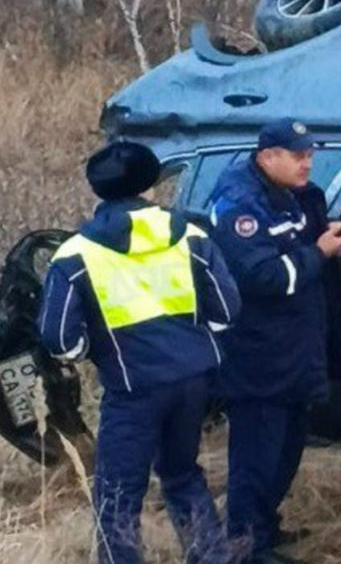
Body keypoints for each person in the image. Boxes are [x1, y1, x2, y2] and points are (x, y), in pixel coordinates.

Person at [37, 141, 241, 564]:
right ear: (152, 186)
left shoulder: (76, 255)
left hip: (131, 389)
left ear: (98, 191)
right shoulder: (193, 235)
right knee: (184, 475)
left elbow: (58, 339)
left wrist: (92, 351)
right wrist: (195, 343)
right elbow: (227, 309)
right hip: (192, 382)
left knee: (118, 493)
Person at [207, 119, 341, 564]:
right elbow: (262, 276)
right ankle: (244, 547)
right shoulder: (241, 207)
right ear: (267, 156)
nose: (308, 162)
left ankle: (265, 532)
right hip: (258, 356)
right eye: (298, 155)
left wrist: (325, 236)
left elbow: (293, 249)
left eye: (310, 154)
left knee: (286, 449)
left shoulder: (290, 195)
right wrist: (321, 253)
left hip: (292, 351)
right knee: (256, 457)